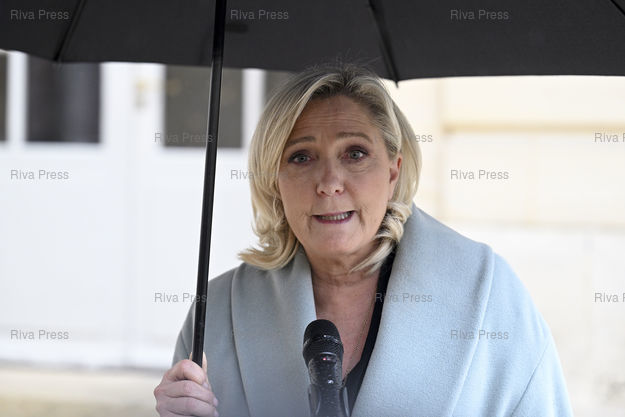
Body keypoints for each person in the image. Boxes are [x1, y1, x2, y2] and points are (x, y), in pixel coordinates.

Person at [154, 63, 573, 417]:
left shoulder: (488, 294)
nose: (329, 183)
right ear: (274, 181)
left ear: (393, 171)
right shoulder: (219, 313)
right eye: (301, 157)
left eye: (354, 153)